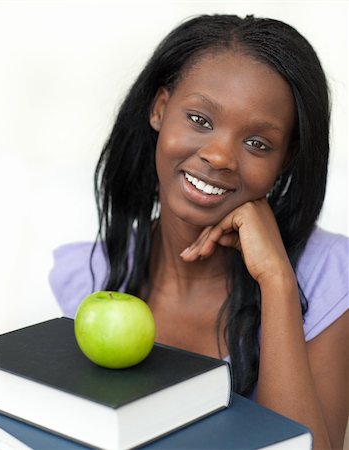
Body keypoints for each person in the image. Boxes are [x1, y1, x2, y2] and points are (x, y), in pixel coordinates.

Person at [49, 14, 348, 449]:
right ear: (159, 108)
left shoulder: (328, 277)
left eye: (257, 144)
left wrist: (277, 280)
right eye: (200, 120)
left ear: (285, 160)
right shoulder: (93, 276)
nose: (220, 155)